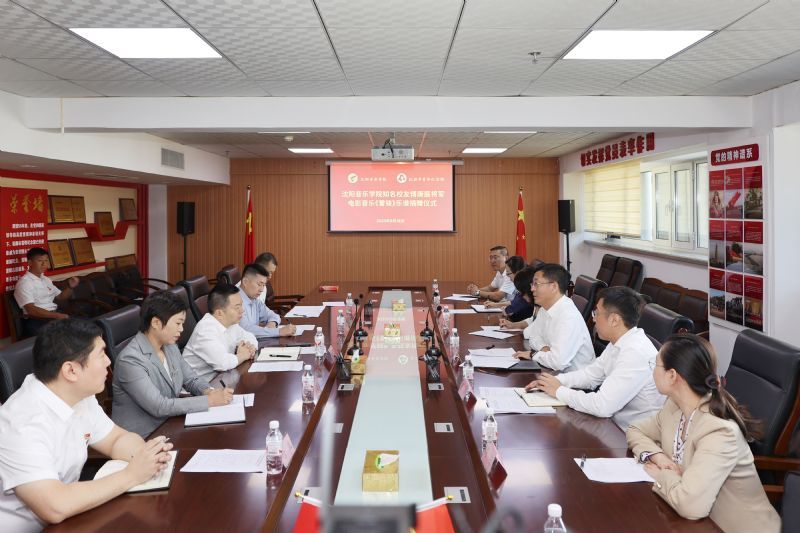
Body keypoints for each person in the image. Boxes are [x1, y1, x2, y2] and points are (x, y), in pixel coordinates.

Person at [0, 318, 173, 531]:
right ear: (71, 371)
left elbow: (116, 439)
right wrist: (132, 474)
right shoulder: (21, 423)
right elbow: (54, 506)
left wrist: (147, 455)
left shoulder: (79, 395)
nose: (109, 361)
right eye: (101, 354)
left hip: (71, 517)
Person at [627, 334, 780, 532]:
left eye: (655, 364)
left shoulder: (719, 432)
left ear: (672, 375)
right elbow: (636, 430)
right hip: (691, 521)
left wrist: (662, 475)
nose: (652, 370)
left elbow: (690, 506)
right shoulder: (674, 406)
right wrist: (658, 457)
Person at [526, 286, 665, 429]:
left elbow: (602, 406)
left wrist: (558, 391)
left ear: (614, 320)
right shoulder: (620, 341)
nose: (593, 318)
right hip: (614, 425)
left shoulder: (635, 353)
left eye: (597, 312)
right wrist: (556, 381)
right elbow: (591, 375)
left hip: (631, 433)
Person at [112, 290, 233, 437]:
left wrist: (209, 391)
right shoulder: (130, 360)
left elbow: (191, 379)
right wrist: (209, 401)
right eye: (178, 323)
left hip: (171, 425)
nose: (181, 329)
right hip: (143, 437)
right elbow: (159, 406)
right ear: (156, 323)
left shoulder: (169, 346)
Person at [501, 263, 594, 372]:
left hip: (574, 378)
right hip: (553, 372)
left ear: (553, 286)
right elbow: (533, 336)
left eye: (536, 284)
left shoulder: (568, 316)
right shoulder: (545, 308)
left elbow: (558, 362)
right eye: (532, 284)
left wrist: (534, 354)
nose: (532, 289)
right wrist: (545, 349)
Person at [183, 283, 258, 381]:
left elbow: (250, 337)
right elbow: (223, 363)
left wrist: (250, 347)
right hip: (200, 387)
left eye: (241, 305)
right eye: (237, 307)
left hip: (222, 379)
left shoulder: (230, 323)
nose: (242, 310)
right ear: (219, 313)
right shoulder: (205, 331)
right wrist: (242, 355)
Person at [14, 247, 80, 336]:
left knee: (84, 326)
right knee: (70, 334)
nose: (44, 264)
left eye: (46, 261)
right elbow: (31, 310)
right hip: (38, 320)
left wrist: (70, 287)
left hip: (53, 316)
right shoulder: (24, 283)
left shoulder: (46, 279)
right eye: (40, 261)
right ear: (30, 263)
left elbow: (61, 296)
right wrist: (57, 316)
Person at [237, 263, 296, 337]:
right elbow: (246, 329)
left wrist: (272, 324)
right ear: (245, 282)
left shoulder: (254, 299)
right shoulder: (234, 301)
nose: (261, 289)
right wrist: (278, 332)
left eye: (264, 285)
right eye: (259, 284)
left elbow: (273, 315)